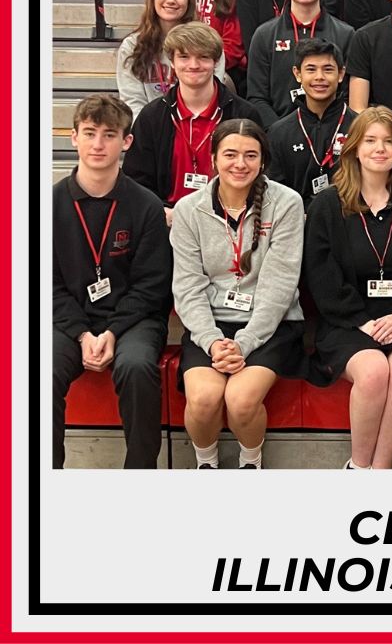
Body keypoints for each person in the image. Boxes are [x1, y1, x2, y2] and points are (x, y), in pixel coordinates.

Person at [305, 107, 392, 469]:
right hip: (347, 321)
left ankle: (379, 471)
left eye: (389, 141)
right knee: (374, 371)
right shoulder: (327, 205)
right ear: (354, 148)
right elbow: (321, 275)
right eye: (370, 141)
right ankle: (359, 466)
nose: (380, 149)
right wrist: (361, 321)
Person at [171, 119, 306, 470]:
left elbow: (279, 284)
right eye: (230, 154)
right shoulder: (189, 209)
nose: (240, 164)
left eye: (250, 155)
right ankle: (207, 464)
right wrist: (213, 341)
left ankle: (250, 463)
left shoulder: (286, 203)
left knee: (241, 400)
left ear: (263, 161)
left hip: (270, 325)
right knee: (203, 399)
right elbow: (187, 286)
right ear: (214, 158)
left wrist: (244, 344)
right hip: (211, 324)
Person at [53, 94, 172, 468]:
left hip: (134, 320)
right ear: (74, 137)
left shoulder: (146, 205)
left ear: (127, 141)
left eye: (109, 134)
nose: (98, 144)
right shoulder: (47, 205)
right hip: (70, 321)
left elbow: (152, 285)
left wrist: (112, 331)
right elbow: (45, 284)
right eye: (90, 133)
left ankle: (139, 476)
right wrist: (82, 334)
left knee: (136, 367)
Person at [123, 23, 259, 222]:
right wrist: (160, 213)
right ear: (172, 62)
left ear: (215, 62)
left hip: (227, 219)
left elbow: (258, 174)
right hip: (168, 220)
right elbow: (136, 181)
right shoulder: (152, 117)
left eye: (203, 57)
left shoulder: (244, 114)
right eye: (184, 57)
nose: (193, 65)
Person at [247, 0, 354, 127]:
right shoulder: (264, 35)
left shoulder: (346, 34)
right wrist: (279, 132)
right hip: (278, 133)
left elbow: (347, 94)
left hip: (331, 130)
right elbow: (257, 97)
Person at [115, 0, 224, 120]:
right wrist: (151, 129)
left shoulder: (208, 43)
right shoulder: (132, 46)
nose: (171, 0)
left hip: (196, 125)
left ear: (189, 0)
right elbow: (132, 102)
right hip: (149, 128)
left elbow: (211, 96)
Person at [266, 39, 356, 208]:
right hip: (296, 219)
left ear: (341, 74)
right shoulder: (279, 132)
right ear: (297, 74)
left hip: (350, 217)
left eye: (328, 69)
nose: (319, 77)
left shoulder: (359, 127)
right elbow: (274, 193)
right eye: (311, 69)